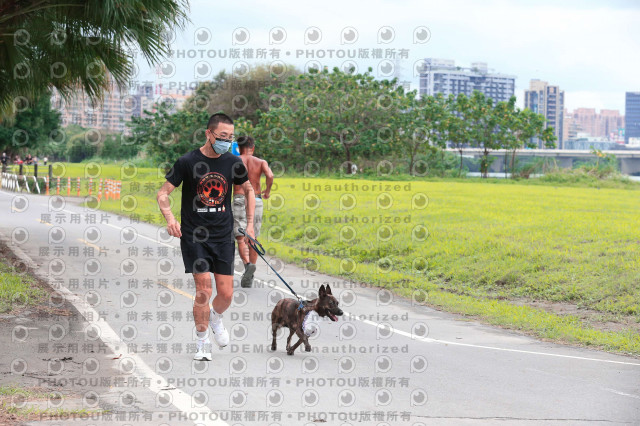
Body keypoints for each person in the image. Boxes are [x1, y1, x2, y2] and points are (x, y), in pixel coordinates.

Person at [156, 113, 255, 361]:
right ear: (208, 134)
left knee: (226, 294)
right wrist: (170, 219)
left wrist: (250, 224)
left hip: (223, 236)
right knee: (203, 290)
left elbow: (248, 190)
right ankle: (202, 343)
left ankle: (215, 317)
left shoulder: (233, 162)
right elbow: (163, 194)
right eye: (222, 136)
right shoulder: (187, 161)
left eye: (230, 137)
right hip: (194, 236)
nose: (226, 141)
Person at [232, 135, 274, 288]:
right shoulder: (261, 162)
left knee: (240, 237)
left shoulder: (234, 160)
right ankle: (251, 273)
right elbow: (270, 175)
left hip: (239, 198)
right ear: (253, 147)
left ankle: (248, 265)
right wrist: (267, 191)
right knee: (253, 237)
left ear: (239, 148)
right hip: (256, 200)